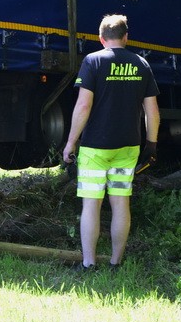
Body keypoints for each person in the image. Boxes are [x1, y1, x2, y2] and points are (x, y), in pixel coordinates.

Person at [62, 15, 160, 270]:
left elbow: (83, 105)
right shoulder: (141, 64)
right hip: (128, 146)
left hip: (96, 146)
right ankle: (116, 262)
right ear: (126, 37)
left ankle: (89, 263)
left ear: (101, 38)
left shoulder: (93, 61)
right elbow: (152, 111)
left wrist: (71, 143)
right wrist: (152, 144)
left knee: (92, 204)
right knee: (120, 202)